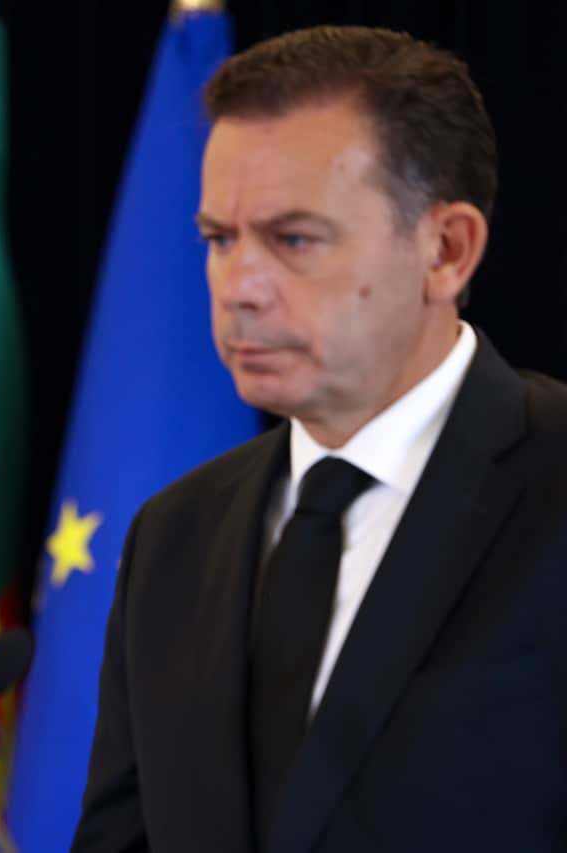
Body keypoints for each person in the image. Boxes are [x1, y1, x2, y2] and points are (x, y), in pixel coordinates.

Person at [73, 26, 567, 853]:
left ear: (447, 250)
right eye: (219, 240)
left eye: (293, 239)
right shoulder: (173, 535)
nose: (241, 289)